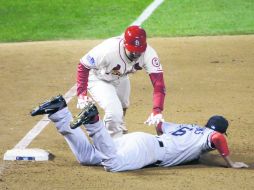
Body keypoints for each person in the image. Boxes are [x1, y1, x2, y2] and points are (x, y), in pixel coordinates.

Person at [31, 95, 249, 172]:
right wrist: (230, 163)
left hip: (137, 139)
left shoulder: (190, 128)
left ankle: (59, 111)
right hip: (148, 151)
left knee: (88, 158)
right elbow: (217, 138)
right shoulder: (207, 139)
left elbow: (161, 126)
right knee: (113, 165)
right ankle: (94, 122)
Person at [76, 25, 166, 137]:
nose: (136, 55)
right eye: (133, 51)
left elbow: (159, 84)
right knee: (114, 113)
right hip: (98, 78)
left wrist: (157, 110)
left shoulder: (149, 54)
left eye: (139, 51)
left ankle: (119, 126)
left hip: (120, 76)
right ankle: (111, 141)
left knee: (123, 104)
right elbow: (83, 65)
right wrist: (81, 93)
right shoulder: (108, 50)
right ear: (124, 45)